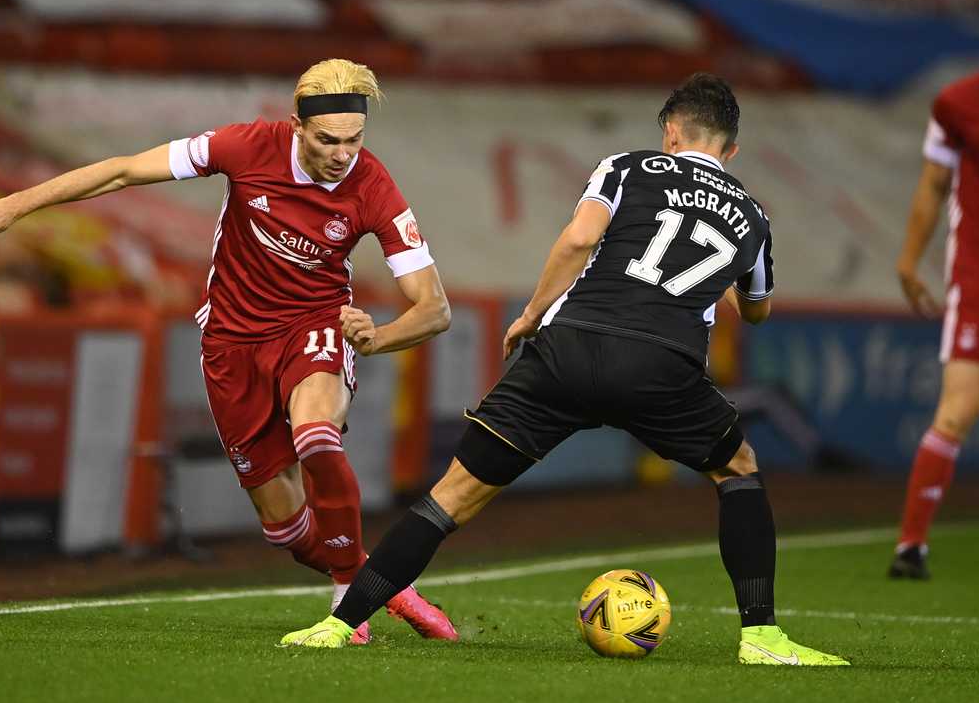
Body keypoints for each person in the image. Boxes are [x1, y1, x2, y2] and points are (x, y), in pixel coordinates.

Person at [279, 73, 849, 666]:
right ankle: (762, 637)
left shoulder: (628, 167)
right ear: (731, 150)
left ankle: (340, 624)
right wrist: (721, 281)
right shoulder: (752, 214)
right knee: (739, 470)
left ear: (670, 133)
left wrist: (531, 313)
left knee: (451, 496)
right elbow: (756, 311)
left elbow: (580, 240)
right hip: (661, 365)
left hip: (568, 349)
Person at [0, 58, 459, 642]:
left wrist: (379, 337)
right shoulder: (242, 147)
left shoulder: (373, 185)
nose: (343, 154)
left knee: (316, 434)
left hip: (312, 328)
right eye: (328, 140)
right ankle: (386, 585)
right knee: (288, 533)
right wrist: (12, 205)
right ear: (296, 126)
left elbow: (434, 308)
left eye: (354, 139)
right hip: (230, 343)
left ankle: (350, 608)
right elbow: (121, 172)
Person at [890, 0, 979, 582]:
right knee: (961, 408)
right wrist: (908, 259)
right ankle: (910, 546)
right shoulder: (959, 103)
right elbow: (932, 186)